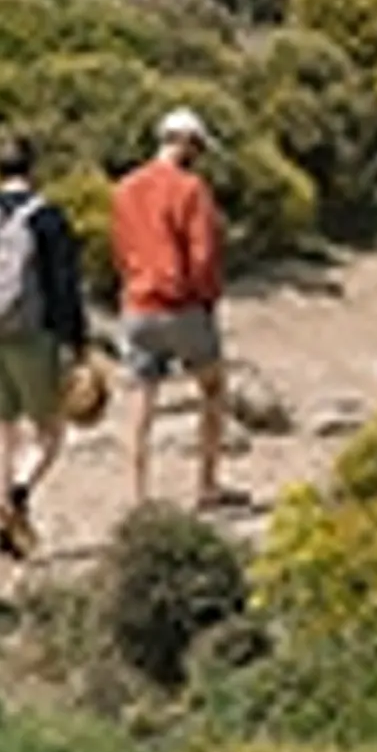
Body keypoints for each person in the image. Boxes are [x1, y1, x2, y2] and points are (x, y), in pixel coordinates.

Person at [0, 133, 89, 562]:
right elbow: (64, 286)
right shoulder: (47, 218)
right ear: (33, 168)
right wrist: (75, 342)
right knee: (49, 432)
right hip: (34, 337)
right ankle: (20, 493)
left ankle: (0, 526)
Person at [111, 106, 246, 513]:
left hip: (137, 303)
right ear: (186, 144)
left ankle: (137, 495)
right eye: (198, 147)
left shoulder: (124, 188)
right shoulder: (190, 189)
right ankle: (207, 485)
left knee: (140, 401)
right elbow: (202, 255)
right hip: (181, 305)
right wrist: (207, 297)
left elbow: (119, 249)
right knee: (213, 388)